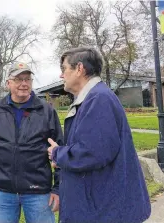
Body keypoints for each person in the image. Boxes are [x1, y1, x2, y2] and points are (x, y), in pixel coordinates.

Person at [47, 47, 151, 223]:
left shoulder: (98, 100)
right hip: (100, 206)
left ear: (79, 69)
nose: (61, 75)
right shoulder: (94, 98)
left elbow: (93, 152)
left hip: (103, 211)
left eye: (64, 69)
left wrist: (57, 153)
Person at [0, 62, 63, 223]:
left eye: (27, 79)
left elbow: (60, 152)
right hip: (2, 191)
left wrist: (58, 187)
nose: (24, 84)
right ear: (8, 83)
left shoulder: (47, 111)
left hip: (38, 192)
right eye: (18, 79)